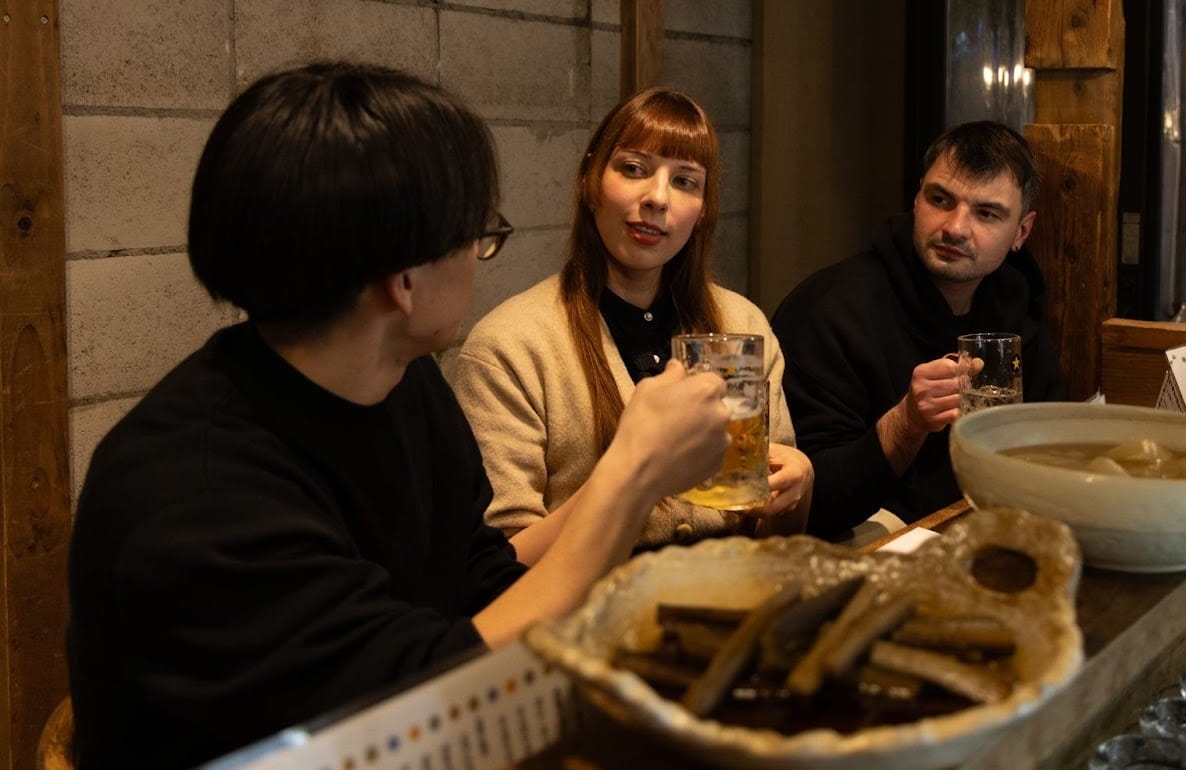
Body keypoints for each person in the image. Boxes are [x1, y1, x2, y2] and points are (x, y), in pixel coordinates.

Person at [65, 64, 734, 770]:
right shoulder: (196, 499)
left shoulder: (402, 386)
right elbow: (433, 706)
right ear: (404, 281)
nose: (482, 258)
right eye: (479, 235)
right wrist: (633, 475)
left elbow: (476, 577)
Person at [453, 88, 813, 547]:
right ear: (590, 181)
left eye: (685, 182)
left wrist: (800, 486)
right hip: (588, 615)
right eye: (633, 169)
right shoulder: (510, 347)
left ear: (702, 211)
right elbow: (502, 564)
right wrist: (635, 472)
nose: (657, 198)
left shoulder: (742, 325)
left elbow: (773, 540)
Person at [773, 121, 1064, 540]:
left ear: (1021, 231)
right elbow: (811, 506)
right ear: (917, 196)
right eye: (941, 199)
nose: (956, 228)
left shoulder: (1015, 308)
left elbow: (1046, 446)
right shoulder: (829, 310)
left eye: (986, 213)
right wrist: (908, 421)